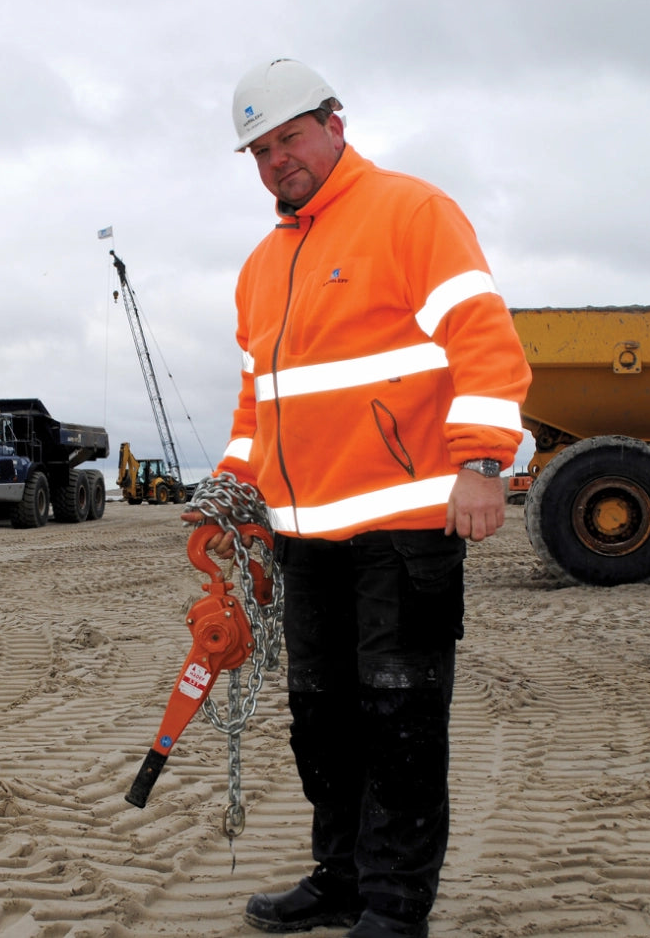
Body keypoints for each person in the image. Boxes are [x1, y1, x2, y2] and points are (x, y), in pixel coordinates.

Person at [182, 58, 532, 938]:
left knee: (399, 720)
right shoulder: (262, 267)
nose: (276, 161)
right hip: (304, 540)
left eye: (289, 137)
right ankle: (339, 877)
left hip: (404, 529)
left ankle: (394, 904)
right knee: (323, 722)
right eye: (258, 150)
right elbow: (255, 403)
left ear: (335, 123)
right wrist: (231, 488)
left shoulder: (412, 212)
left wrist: (483, 461)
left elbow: (484, 339)